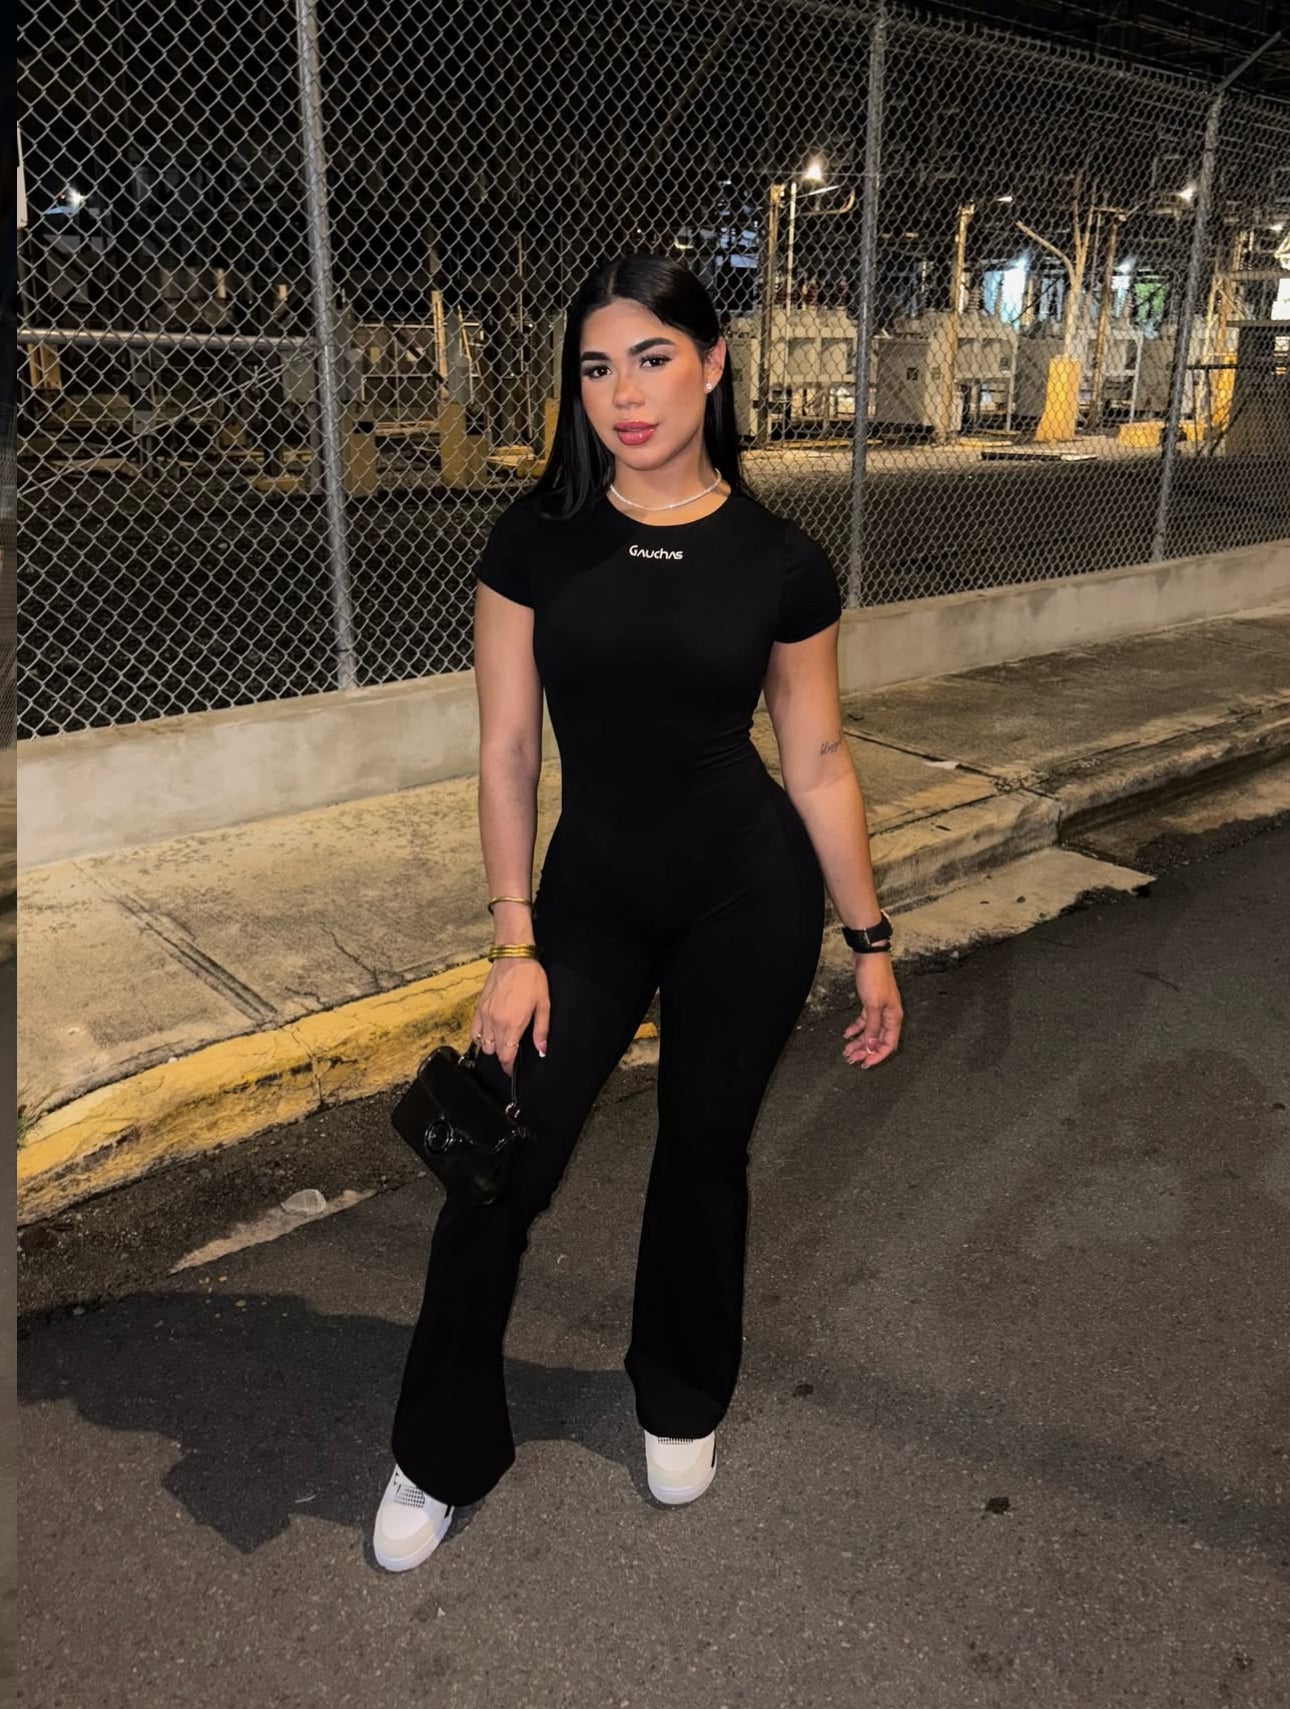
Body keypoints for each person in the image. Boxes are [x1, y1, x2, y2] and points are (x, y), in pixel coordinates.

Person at [373, 254, 903, 1572]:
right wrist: (513, 941)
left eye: (653, 359)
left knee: (703, 1154)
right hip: (589, 904)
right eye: (596, 367)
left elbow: (817, 759)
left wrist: (869, 939)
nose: (623, 394)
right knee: (500, 1164)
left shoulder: (780, 562)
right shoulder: (535, 541)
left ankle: (680, 1392)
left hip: (746, 895)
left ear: (712, 365)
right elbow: (508, 751)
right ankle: (439, 1450)